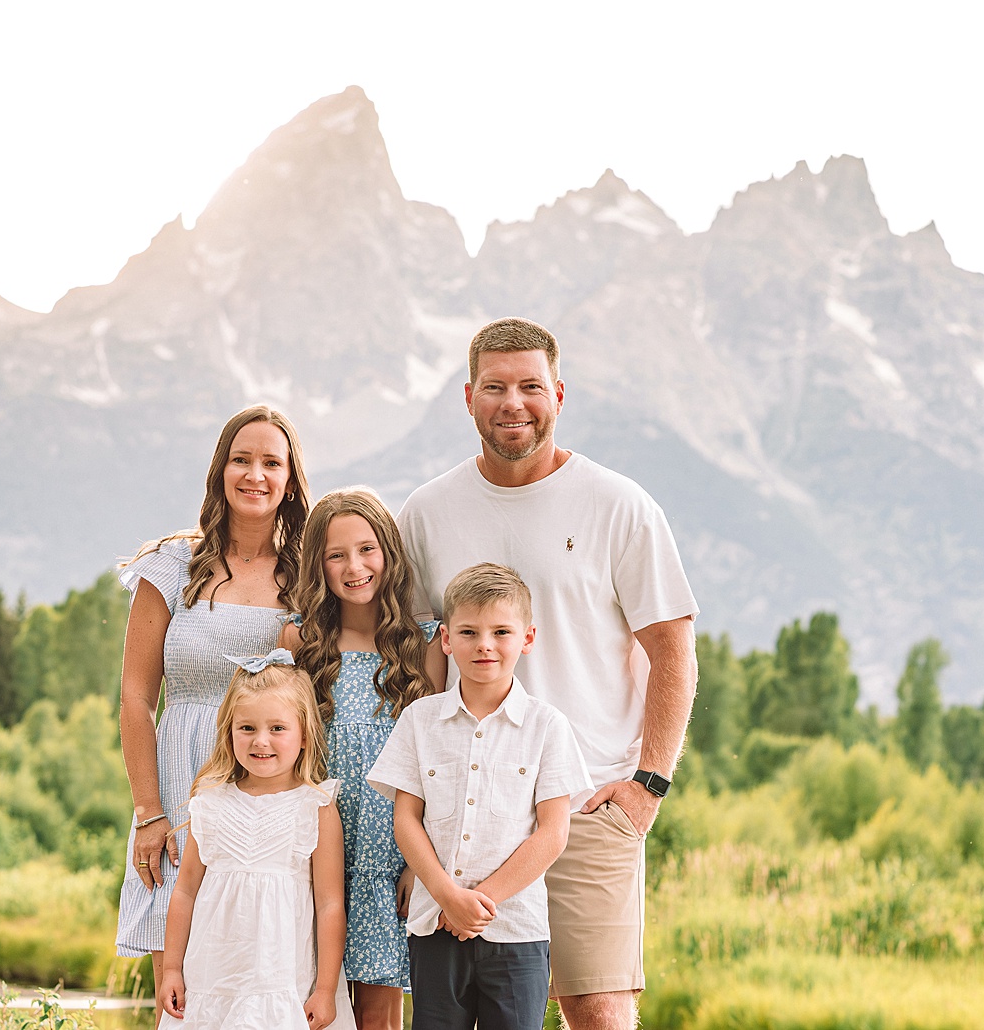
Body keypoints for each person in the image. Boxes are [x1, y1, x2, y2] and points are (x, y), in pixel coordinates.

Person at [397, 318, 699, 1030]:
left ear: (558, 393)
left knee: (596, 1010)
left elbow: (674, 651)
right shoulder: (428, 513)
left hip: (587, 800)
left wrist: (647, 786)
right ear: (468, 397)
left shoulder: (618, 505)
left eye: (531, 386)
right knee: (462, 1016)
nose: (514, 403)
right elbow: (413, 658)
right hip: (460, 812)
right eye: (496, 387)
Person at [114, 405, 310, 978]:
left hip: (269, 789)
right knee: (177, 985)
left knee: (262, 978)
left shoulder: (307, 577)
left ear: (291, 479)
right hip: (177, 786)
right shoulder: (173, 567)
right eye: (241, 459)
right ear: (219, 471)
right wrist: (148, 811)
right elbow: (135, 698)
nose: (255, 475)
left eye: (271, 462)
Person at [367, 563, 592, 1030]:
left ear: (527, 638)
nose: (484, 645)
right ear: (446, 639)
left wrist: (481, 900)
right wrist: (449, 896)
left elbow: (553, 833)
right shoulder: (419, 720)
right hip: (435, 926)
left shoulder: (547, 726)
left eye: (501, 632)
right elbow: (406, 820)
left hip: (516, 932)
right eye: (468, 632)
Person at [278, 488, 448, 1030]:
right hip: (314, 848)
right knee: (310, 1005)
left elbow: (438, 764)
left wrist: (421, 862)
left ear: (389, 554)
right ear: (318, 565)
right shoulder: (299, 640)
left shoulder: (424, 643)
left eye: (367, 549)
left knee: (378, 1013)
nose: (354, 567)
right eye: (336, 555)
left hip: (390, 854)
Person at [155, 653, 355, 1030]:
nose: (261, 741)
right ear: (229, 732)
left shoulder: (316, 806)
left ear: (304, 734)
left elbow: (330, 904)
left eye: (277, 728)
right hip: (212, 979)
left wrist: (325, 989)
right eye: (247, 728)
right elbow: (184, 894)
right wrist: (171, 970)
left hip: (283, 981)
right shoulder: (211, 801)